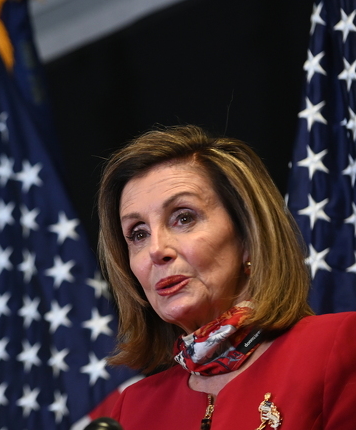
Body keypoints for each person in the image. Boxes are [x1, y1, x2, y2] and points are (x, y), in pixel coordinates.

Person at [96, 125, 356, 430]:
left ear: (247, 236)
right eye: (138, 234)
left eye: (184, 218)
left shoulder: (335, 347)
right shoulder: (133, 409)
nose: (156, 250)